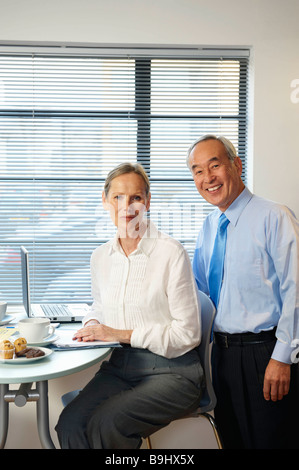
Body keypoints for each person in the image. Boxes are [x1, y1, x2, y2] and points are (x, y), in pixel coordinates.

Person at [55, 162, 204, 449]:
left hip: (175, 371)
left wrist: (119, 334)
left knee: (106, 424)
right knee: (70, 424)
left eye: (136, 197)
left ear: (147, 202)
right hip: (122, 367)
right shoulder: (101, 256)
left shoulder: (171, 253)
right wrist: (92, 325)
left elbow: (188, 335)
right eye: (118, 197)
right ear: (105, 201)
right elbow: (99, 305)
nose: (128, 206)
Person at [187, 134, 299, 449]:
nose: (207, 178)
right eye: (197, 171)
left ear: (236, 166)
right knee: (232, 441)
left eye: (214, 165)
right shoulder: (209, 226)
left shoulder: (275, 216)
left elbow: (297, 291)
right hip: (221, 357)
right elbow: (199, 294)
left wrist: (283, 358)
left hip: (266, 354)